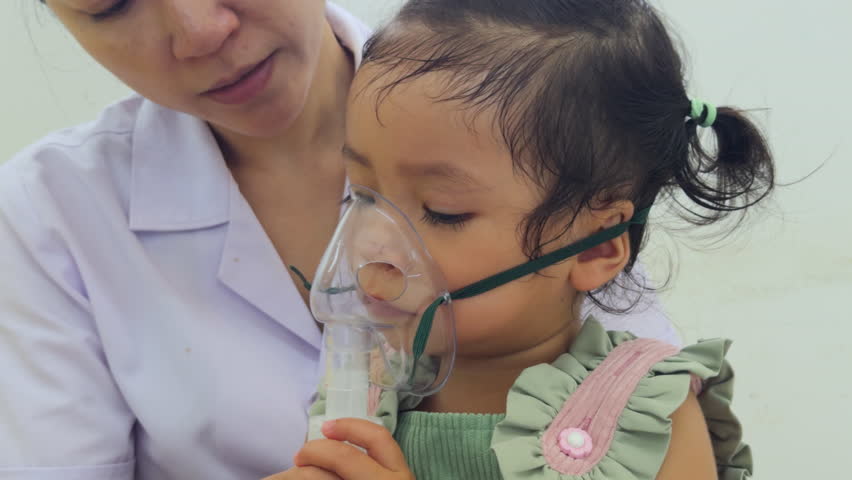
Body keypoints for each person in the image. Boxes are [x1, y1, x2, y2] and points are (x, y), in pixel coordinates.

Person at [0, 1, 677, 479]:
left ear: (598, 243)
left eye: (440, 210)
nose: (201, 30)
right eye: (111, 4)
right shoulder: (46, 211)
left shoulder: (536, 107)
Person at [286, 0, 774, 479]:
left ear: (596, 246)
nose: (372, 242)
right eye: (365, 196)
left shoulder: (645, 418)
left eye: (442, 210)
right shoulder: (363, 393)